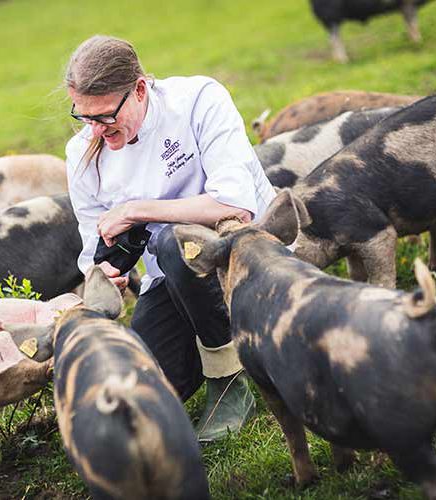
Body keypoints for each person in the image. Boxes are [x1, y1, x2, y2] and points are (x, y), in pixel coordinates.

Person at [64, 34, 277, 442]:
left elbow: (234, 204)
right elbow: (94, 247)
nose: (95, 130)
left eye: (106, 116)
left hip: (244, 252)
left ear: (140, 89)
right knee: (143, 389)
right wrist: (106, 273)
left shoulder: (199, 100)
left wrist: (134, 210)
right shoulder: (82, 155)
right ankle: (220, 348)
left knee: (173, 244)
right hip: (172, 281)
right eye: (84, 117)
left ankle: (229, 383)